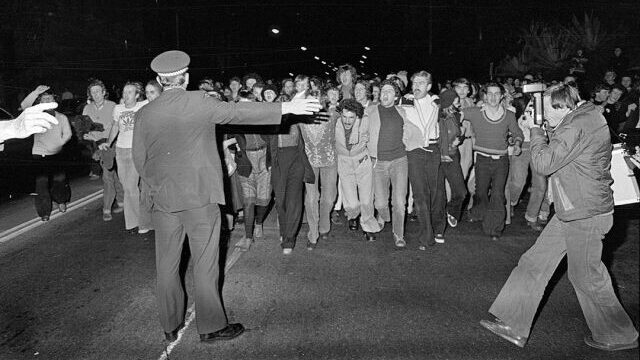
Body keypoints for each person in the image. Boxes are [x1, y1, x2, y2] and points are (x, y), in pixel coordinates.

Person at [132, 50, 321, 343]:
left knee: (166, 266)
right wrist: (286, 107)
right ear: (186, 77)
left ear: (159, 80)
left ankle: (169, 326)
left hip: (165, 201)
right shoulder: (200, 101)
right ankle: (210, 327)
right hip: (201, 199)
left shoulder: (144, 113)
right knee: (206, 265)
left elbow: (139, 161)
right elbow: (239, 112)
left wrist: (157, 190)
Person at [480, 84, 639, 351]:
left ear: (562, 106)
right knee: (535, 261)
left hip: (584, 212)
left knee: (586, 275)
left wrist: (536, 130)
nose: (544, 119)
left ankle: (618, 334)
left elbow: (543, 163)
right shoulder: (585, 116)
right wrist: (547, 127)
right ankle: (513, 323)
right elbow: (564, 144)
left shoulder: (576, 125)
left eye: (547, 114)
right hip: (573, 208)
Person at [465, 83, 523, 240]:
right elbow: (451, 113)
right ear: (484, 96)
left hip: (501, 161)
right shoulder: (475, 112)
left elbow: (518, 133)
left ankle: (494, 228)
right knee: (481, 192)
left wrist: (517, 143)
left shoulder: (509, 115)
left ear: (502, 96)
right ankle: (477, 212)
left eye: (497, 94)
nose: (493, 97)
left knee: (498, 194)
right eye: (489, 93)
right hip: (482, 159)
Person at [364, 79, 410, 248]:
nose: (385, 94)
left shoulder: (402, 112)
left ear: (396, 95)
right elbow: (362, 133)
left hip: (399, 160)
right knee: (381, 203)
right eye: (383, 91)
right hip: (378, 162)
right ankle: (383, 215)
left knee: (399, 201)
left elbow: (409, 130)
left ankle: (398, 234)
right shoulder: (370, 111)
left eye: (390, 91)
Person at [99, 81, 149, 233]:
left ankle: (140, 222)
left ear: (137, 95)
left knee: (131, 186)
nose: (126, 95)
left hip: (136, 150)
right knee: (127, 187)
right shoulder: (118, 108)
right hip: (121, 150)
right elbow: (115, 126)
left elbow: (156, 97)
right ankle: (137, 221)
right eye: (125, 92)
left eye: (130, 92)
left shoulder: (142, 106)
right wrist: (108, 142)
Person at [403, 71, 446, 247]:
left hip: (433, 149)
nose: (416, 86)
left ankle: (437, 227)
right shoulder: (405, 102)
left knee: (435, 193)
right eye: (414, 83)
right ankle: (426, 235)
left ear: (428, 86)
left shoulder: (436, 102)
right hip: (414, 151)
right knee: (420, 194)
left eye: (421, 83)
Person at [335, 98, 380, 241]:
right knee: (352, 202)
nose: (348, 121)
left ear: (357, 117)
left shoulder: (364, 122)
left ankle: (368, 226)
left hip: (362, 161)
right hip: (344, 162)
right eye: (345, 117)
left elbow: (370, 113)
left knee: (366, 199)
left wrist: (374, 156)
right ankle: (353, 215)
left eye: (352, 118)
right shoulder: (335, 124)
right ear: (340, 115)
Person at [82, 79, 124, 221]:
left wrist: (104, 135)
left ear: (104, 92)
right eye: (93, 92)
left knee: (108, 176)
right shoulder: (87, 109)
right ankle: (121, 201)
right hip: (97, 144)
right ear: (90, 94)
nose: (96, 94)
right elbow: (85, 128)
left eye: (98, 91)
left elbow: (116, 125)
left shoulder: (113, 106)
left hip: (112, 143)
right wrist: (93, 139)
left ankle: (107, 208)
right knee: (111, 174)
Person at [28, 89, 72, 221]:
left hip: (56, 153)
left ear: (55, 101)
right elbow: (24, 106)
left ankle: (61, 200)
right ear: (39, 103)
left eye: (50, 99)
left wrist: (59, 144)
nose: (47, 101)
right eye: (44, 99)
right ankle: (44, 212)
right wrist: (35, 92)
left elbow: (68, 134)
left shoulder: (61, 117)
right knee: (41, 183)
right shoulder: (35, 116)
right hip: (39, 153)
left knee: (59, 180)